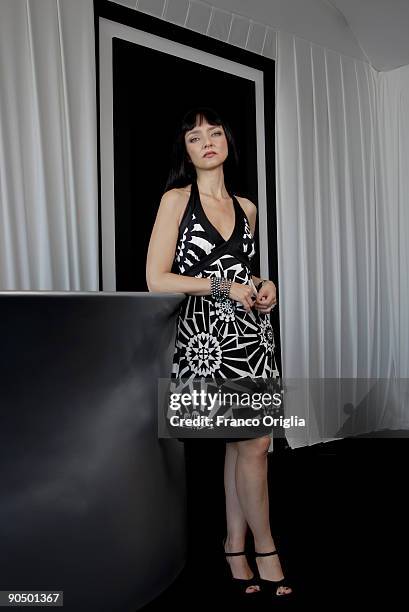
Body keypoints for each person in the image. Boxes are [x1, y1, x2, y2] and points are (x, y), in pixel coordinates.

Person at [146, 107, 293, 600]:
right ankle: (266, 548)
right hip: (206, 339)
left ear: (228, 141)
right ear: (185, 151)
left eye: (214, 133)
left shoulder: (248, 207)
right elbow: (156, 279)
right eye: (194, 136)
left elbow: (243, 270)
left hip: (252, 338)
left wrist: (263, 286)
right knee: (252, 445)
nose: (206, 141)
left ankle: (235, 545)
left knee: (248, 445)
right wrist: (220, 288)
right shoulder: (175, 200)